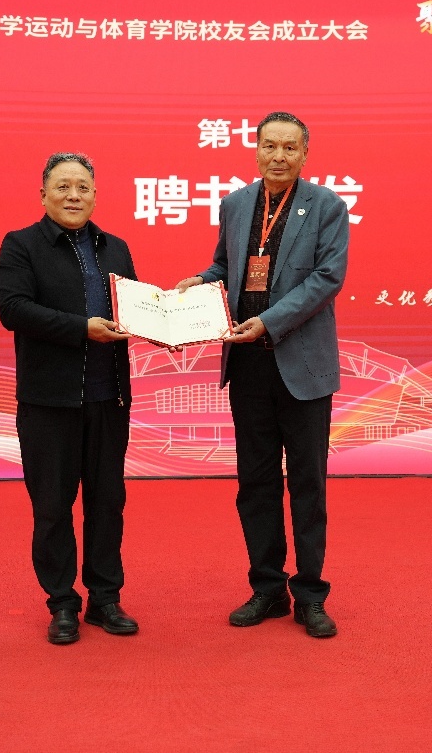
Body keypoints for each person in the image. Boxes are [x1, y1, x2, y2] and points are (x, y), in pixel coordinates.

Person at [175, 112, 349, 638]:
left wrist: (269, 322)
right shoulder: (235, 204)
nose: (278, 156)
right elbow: (225, 268)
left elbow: (327, 278)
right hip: (248, 364)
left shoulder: (327, 206)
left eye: (289, 148)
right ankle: (267, 588)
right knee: (255, 482)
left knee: (307, 484)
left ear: (305, 154)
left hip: (302, 366)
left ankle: (311, 594)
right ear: (255, 150)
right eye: (270, 146)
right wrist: (197, 284)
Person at [0, 152, 140, 646]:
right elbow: (13, 309)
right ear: (43, 195)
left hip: (108, 398)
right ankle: (61, 603)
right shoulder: (21, 245)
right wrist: (82, 329)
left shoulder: (116, 247)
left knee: (108, 503)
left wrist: (169, 327)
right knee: (53, 507)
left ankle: (105, 598)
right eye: (63, 186)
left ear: (95, 195)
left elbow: (135, 309)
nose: (73, 195)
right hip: (49, 402)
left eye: (82, 187)